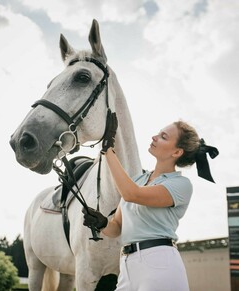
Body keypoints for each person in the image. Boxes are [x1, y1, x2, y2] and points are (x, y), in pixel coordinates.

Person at [83, 112, 219, 291]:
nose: (154, 137)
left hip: (158, 263)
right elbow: (116, 227)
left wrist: (108, 151)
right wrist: (101, 223)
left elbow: (133, 194)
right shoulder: (138, 180)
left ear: (177, 152)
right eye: (158, 133)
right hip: (127, 266)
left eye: (163, 137)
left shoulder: (180, 184)